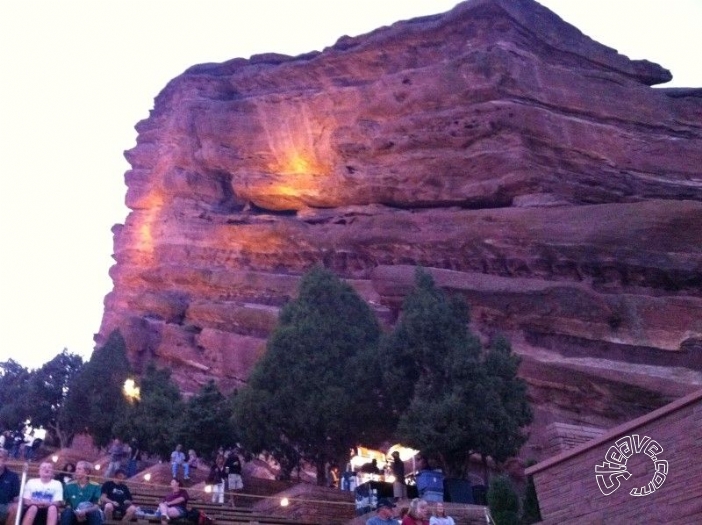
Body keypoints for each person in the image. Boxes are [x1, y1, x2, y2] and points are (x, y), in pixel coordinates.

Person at [60, 461, 103, 525]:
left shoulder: (96, 486)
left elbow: (96, 505)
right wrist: (76, 512)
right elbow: (67, 504)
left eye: (79, 469)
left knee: (95, 512)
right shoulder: (69, 485)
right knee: (67, 512)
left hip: (89, 512)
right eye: (76, 469)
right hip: (73, 512)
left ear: (87, 472)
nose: (76, 471)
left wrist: (85, 511)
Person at [0, 449, 21, 525]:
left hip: (3, 507)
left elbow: (16, 497)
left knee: (16, 507)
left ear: (5, 460)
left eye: (0, 457)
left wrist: (16, 502)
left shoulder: (13, 476)